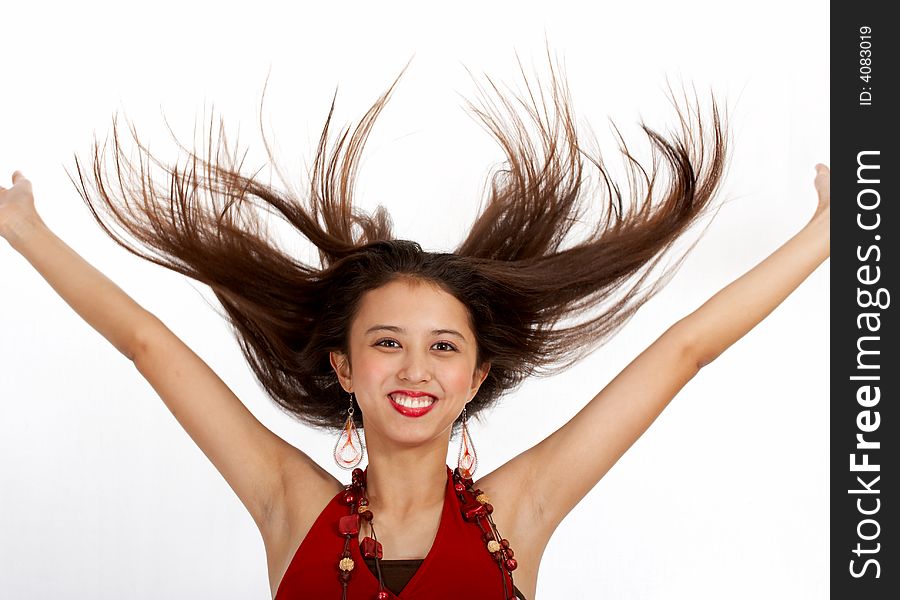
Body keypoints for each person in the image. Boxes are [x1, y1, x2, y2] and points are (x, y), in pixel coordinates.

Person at [0, 59, 830, 599]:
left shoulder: (521, 511)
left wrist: (828, 234)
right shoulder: (288, 503)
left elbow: (683, 352)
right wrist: (27, 231)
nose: (414, 369)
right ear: (345, 367)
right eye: (387, 342)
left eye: (443, 347)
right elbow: (148, 345)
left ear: (475, 379)